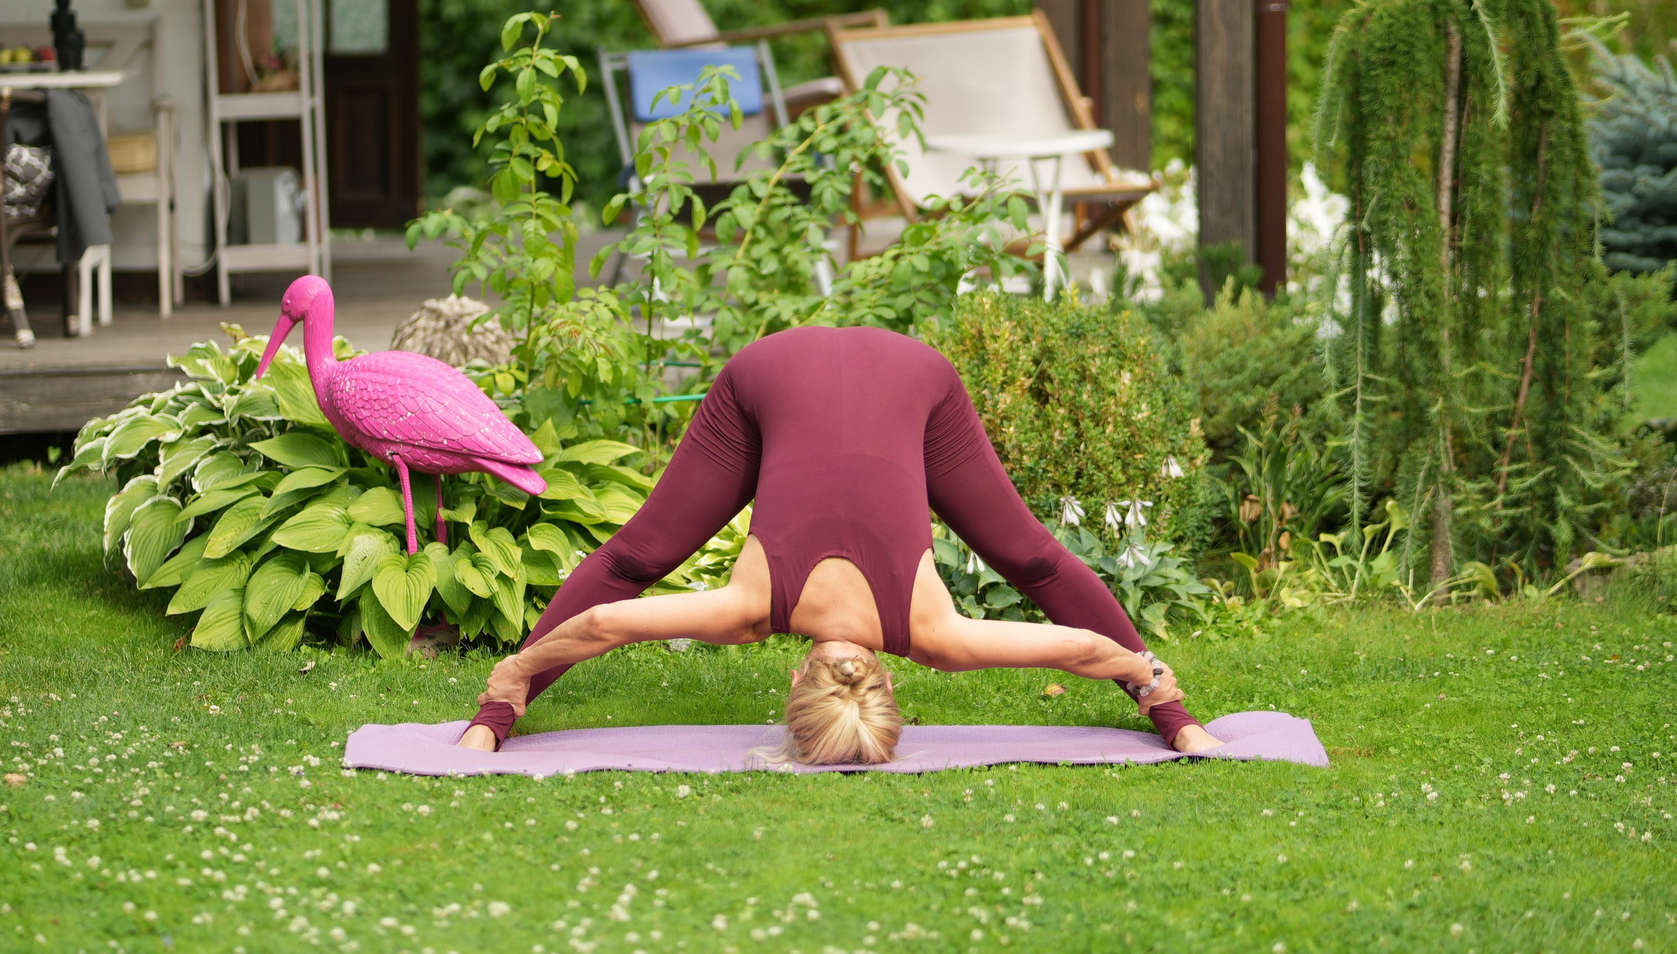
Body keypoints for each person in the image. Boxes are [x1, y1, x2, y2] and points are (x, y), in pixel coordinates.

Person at [461, 326, 1218, 763]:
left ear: (889, 683)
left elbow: (1078, 650)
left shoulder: (934, 635)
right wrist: (511, 680)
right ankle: (490, 724)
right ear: (793, 680)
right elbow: (604, 626)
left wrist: (1154, 681)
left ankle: (1178, 723)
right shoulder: (748, 609)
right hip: (866, 375)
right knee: (636, 560)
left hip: (830, 374)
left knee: (1033, 558)